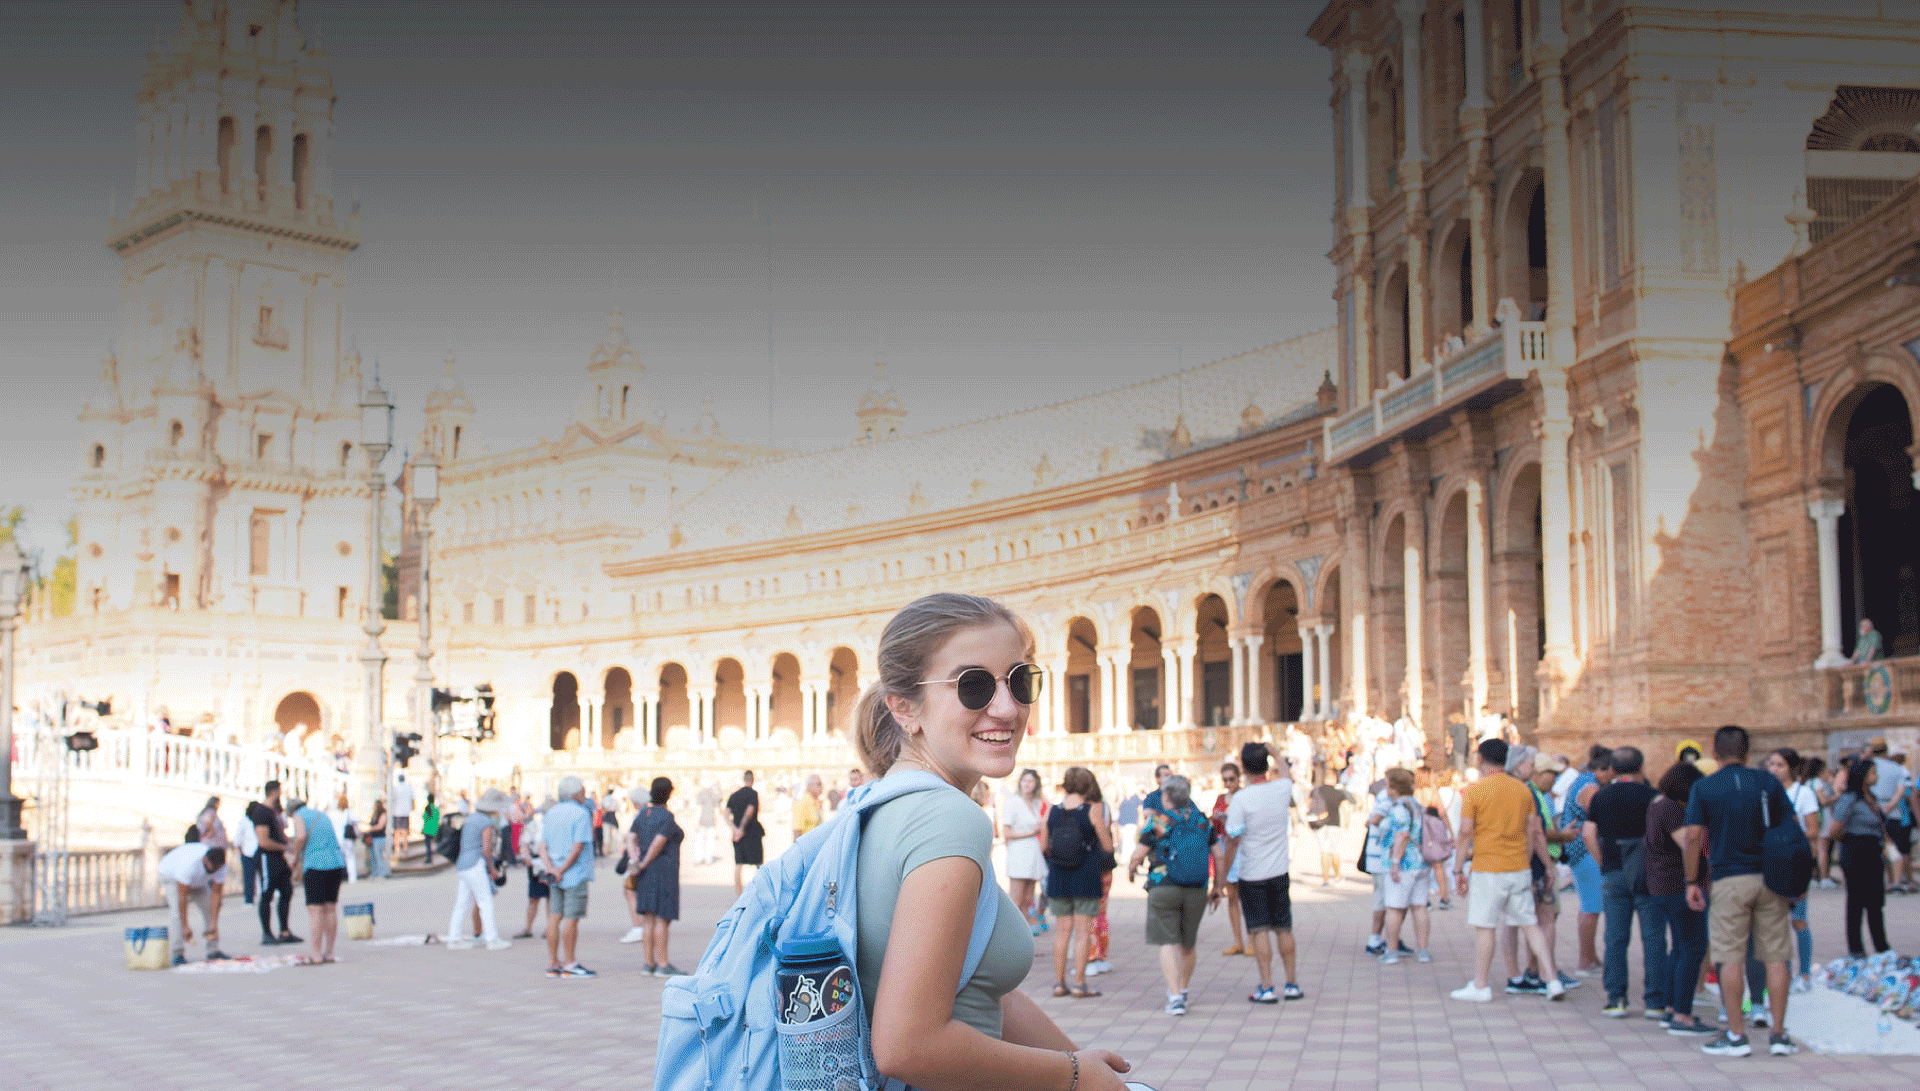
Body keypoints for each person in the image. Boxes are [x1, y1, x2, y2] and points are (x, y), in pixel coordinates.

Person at [853, 592, 1132, 1091]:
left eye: (1020, 681)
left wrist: (1086, 1067)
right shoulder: (948, 819)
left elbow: (977, 993)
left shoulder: (878, 803)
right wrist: (1072, 1075)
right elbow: (906, 1045)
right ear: (903, 707)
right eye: (973, 685)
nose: (1007, 708)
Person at [1679, 724, 1798, 1057]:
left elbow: (1692, 837)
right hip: (1770, 878)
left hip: (1728, 879)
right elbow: (1791, 829)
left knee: (1729, 957)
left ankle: (1736, 1035)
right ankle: (1778, 1035)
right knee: (1776, 956)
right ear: (1748, 752)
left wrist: (1691, 881)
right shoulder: (1768, 782)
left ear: (1714, 753)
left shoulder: (1704, 787)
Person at [1450, 739, 1565, 1002]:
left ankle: (1481, 985)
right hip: (1518, 867)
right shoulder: (1523, 790)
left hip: (1488, 866)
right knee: (1530, 924)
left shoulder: (1476, 792)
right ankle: (1552, 980)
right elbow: (1535, 830)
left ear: (1480, 760)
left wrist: (1458, 870)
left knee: (1486, 926)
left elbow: (1466, 832)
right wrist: (1542, 865)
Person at [1218, 741, 1304, 1003]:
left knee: (1259, 930)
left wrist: (1222, 878)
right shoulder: (1281, 788)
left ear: (1243, 768)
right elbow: (1287, 773)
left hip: (1252, 872)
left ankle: (1267, 986)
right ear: (1266, 764)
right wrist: (1276, 753)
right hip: (1279, 869)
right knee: (1284, 928)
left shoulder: (1242, 798)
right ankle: (1291, 983)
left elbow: (1232, 840)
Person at [1127, 774, 1216, 1016]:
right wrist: (1218, 885)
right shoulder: (1201, 821)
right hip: (1196, 886)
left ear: (1166, 796)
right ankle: (1184, 988)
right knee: (1188, 942)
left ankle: (1175, 996)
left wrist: (1131, 868)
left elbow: (1140, 851)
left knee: (1168, 941)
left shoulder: (1158, 821)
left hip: (1163, 885)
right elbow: (1217, 853)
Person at [1583, 746, 1660, 1019]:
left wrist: (1602, 861)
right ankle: (1655, 1000)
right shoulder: (1653, 797)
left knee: (1615, 937)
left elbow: (1588, 833)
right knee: (1653, 937)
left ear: (1612, 769)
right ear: (1641, 768)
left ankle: (1616, 997)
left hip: (1614, 870)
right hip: (1648, 873)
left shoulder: (1601, 797)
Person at [1645, 761, 1715, 1035]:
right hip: (1677, 885)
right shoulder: (1672, 809)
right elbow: (1689, 842)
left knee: (1679, 947)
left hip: (1662, 884)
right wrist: (1693, 881)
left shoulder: (1657, 803)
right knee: (1693, 947)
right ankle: (1682, 1015)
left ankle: (1672, 1008)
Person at [1045, 766, 1112, 998]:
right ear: (1088, 786)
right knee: (1083, 932)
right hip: (1085, 876)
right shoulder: (1092, 811)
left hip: (1059, 876)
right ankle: (1080, 984)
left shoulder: (1052, 811)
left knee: (1062, 932)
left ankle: (1059, 983)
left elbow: (1044, 845)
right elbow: (1108, 845)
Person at [1765, 748, 1820, 990]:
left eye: (1780, 765)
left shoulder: (1803, 794)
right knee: (1775, 922)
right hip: (1771, 861)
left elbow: (1814, 830)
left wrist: (1790, 832)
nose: (1774, 770)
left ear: (1792, 768)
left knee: (1798, 919)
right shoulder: (1765, 793)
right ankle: (1783, 973)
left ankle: (1805, 973)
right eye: (1772, 765)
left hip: (1796, 860)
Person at [1824, 758, 1890, 957]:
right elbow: (1834, 829)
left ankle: (1881, 946)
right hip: (1855, 851)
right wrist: (1850, 840)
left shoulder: (1872, 798)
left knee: (1876, 901)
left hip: (1873, 852)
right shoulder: (1850, 798)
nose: (1876, 776)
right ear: (1862, 776)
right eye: (1872, 772)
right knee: (1857, 900)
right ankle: (1856, 948)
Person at [1559, 745, 1612, 976]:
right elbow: (1599, 817)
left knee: (1588, 906)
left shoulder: (1583, 780)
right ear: (1604, 768)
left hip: (1578, 849)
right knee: (1592, 907)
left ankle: (1589, 957)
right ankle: (1585, 960)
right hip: (1586, 850)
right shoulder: (1591, 787)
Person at [442, 787, 512, 950]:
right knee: (485, 901)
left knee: (462, 902)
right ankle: (491, 939)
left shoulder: (471, 818)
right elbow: (486, 850)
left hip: (462, 864)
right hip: (476, 865)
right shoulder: (486, 822)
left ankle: (454, 938)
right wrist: (492, 868)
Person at [540, 776, 596, 978]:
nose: (584, 793)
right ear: (575, 793)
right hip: (574, 872)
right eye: (582, 790)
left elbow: (542, 845)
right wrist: (562, 869)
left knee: (554, 917)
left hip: (554, 871)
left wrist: (551, 868)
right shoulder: (581, 814)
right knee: (571, 918)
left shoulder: (551, 812)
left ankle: (553, 961)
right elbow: (578, 846)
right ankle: (570, 962)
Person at [628, 776, 685, 976]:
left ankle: (648, 962)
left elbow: (631, 836)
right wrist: (644, 861)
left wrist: (635, 858)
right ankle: (662, 963)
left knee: (648, 918)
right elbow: (658, 843)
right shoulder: (666, 817)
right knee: (662, 918)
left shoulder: (644, 813)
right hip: (663, 871)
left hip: (645, 874)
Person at [1377, 768, 1432, 964]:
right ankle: (1423, 950)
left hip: (1404, 864)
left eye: (1387, 784)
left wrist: (1394, 863)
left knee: (1394, 908)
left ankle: (1391, 950)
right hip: (1421, 862)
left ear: (1393, 787)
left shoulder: (1399, 807)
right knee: (1419, 906)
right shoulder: (1417, 805)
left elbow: (1401, 835)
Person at [286, 795, 347, 964]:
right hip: (336, 863)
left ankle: (315, 953)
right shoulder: (321, 815)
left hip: (316, 865)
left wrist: (294, 856)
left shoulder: (299, 816)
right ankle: (329, 952)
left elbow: (300, 836)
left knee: (315, 910)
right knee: (330, 908)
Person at [157, 843, 229, 965]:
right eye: (213, 867)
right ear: (205, 860)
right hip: (171, 875)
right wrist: (185, 926)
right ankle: (177, 953)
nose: (215, 870)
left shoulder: (221, 867)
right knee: (177, 915)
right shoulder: (189, 865)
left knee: (209, 909)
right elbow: (182, 898)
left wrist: (214, 923)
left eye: (218, 868)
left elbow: (216, 895)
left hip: (197, 881)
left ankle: (213, 950)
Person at [247, 780, 299, 946]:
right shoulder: (261, 812)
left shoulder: (275, 812)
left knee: (286, 891)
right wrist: (283, 847)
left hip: (279, 857)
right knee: (267, 893)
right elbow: (263, 840)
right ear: (274, 791)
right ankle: (267, 933)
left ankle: (284, 930)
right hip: (267, 857)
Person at [1002, 767, 1048, 935]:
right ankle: (1011, 937)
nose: (1027, 784)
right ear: (1020, 782)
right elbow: (1006, 832)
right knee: (1016, 899)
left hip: (1032, 853)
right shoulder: (1013, 802)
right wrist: (1031, 833)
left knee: (1028, 900)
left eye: (1031, 781)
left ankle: (1023, 937)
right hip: (1019, 852)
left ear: (1036, 784)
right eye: (1024, 780)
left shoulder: (1036, 804)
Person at [1865, 737, 1915, 893]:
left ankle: (1889, 880)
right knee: (1896, 847)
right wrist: (1890, 806)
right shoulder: (1898, 768)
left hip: (1872, 809)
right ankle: (1897, 882)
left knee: (1879, 848)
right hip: (1893, 812)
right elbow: (1903, 791)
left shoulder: (1867, 767)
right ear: (1886, 751)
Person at [1210, 761, 1249, 954]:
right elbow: (1215, 827)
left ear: (1238, 777)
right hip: (1227, 845)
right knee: (1232, 896)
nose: (1228, 783)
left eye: (1231, 779)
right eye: (1225, 780)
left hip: (1244, 847)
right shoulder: (1220, 798)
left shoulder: (1245, 795)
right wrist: (1216, 819)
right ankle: (1238, 941)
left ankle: (1252, 941)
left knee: (1248, 896)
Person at [1305, 768, 1348, 888]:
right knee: (1334, 851)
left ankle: (1325, 879)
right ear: (1334, 779)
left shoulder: (1317, 790)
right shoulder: (1339, 792)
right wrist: (1347, 824)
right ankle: (1337, 875)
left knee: (1324, 851)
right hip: (1334, 824)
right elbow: (1346, 808)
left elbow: (1309, 805)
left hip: (1320, 824)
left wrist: (1308, 821)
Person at [514, 799, 549, 940]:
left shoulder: (555, 825)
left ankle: (549, 927)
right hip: (536, 862)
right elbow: (525, 843)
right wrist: (526, 856)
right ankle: (528, 927)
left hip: (550, 862)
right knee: (534, 897)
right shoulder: (534, 825)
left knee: (550, 897)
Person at [727, 770, 765, 895]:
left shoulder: (734, 795)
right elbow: (749, 811)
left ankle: (739, 894)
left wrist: (735, 829)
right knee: (759, 863)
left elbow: (726, 814)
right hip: (752, 832)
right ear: (752, 780)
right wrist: (742, 828)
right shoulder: (753, 794)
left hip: (737, 835)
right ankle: (759, 892)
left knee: (738, 864)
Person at [694, 778, 722, 865]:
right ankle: (708, 858)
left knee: (700, 840)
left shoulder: (701, 794)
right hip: (711, 820)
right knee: (710, 841)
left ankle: (699, 858)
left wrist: (696, 823)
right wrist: (717, 825)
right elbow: (717, 810)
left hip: (702, 820)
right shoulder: (714, 795)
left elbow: (699, 810)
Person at [363, 798, 390, 880]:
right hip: (373, 838)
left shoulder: (382, 814)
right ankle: (374, 873)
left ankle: (382, 873)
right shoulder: (374, 815)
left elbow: (380, 826)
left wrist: (371, 829)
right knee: (373, 856)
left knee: (379, 856)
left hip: (379, 838)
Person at [390, 772, 414, 860]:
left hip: (396, 812)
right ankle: (405, 847)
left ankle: (397, 848)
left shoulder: (395, 788)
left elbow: (391, 799)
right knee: (404, 831)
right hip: (405, 812)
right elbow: (412, 799)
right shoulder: (408, 787)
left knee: (396, 831)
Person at [793, 773, 825, 839]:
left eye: (821, 784)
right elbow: (797, 830)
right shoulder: (802, 802)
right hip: (807, 845)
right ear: (809, 786)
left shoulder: (817, 802)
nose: (821, 787)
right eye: (818, 784)